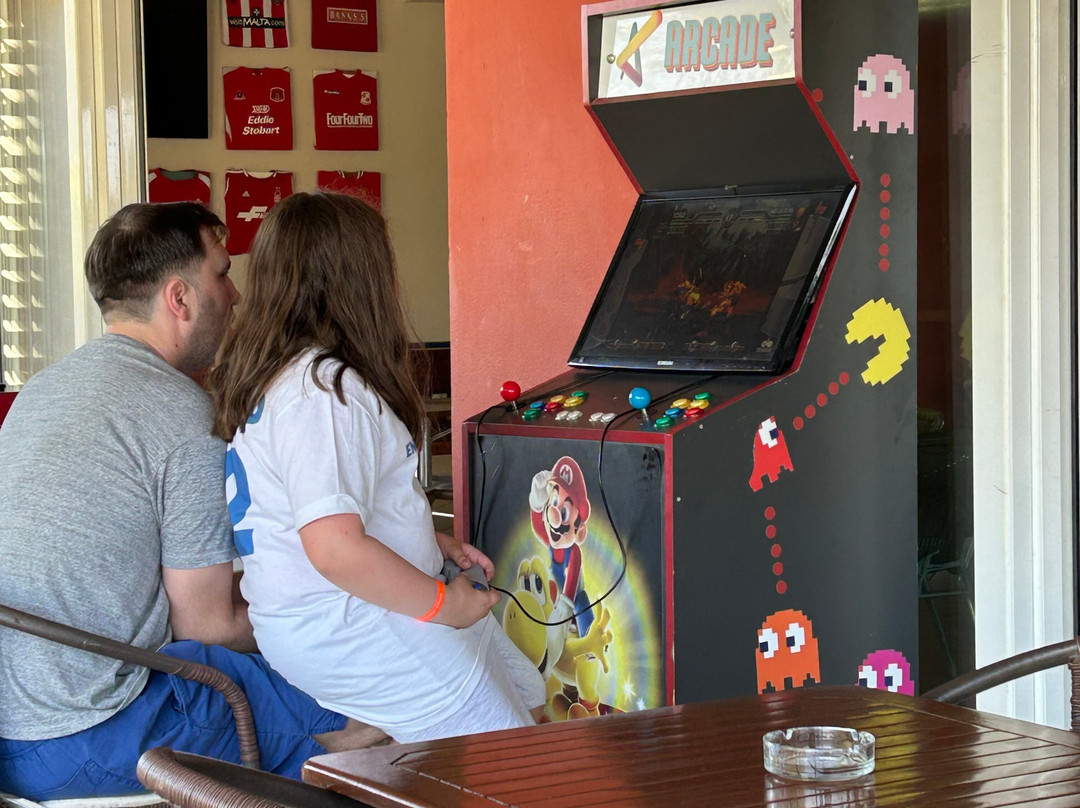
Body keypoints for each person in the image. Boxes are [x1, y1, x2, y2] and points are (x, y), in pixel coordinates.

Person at [0, 203, 375, 800]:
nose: (235, 295)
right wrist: (354, 599)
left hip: (14, 727)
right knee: (369, 714)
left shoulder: (42, 391)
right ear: (180, 298)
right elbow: (208, 626)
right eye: (221, 274)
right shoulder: (179, 416)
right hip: (94, 732)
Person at [208, 192, 545, 744]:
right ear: (360, 279)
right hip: (352, 622)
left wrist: (426, 541)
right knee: (512, 759)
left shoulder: (286, 378)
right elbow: (335, 548)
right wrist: (443, 603)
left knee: (530, 698)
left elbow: (328, 513)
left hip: (339, 612)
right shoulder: (323, 391)